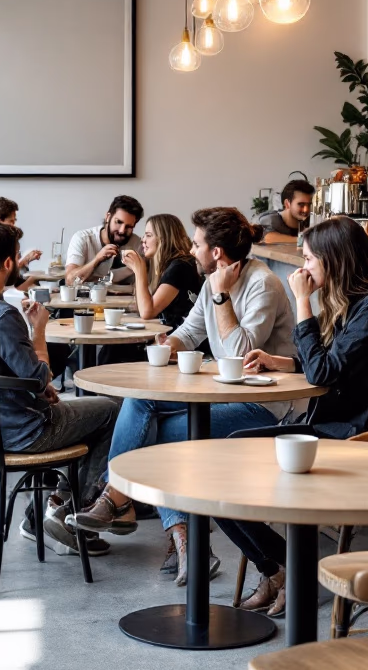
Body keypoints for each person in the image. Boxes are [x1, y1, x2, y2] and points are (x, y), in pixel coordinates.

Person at [68, 207, 295, 585]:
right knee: (140, 402)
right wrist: (168, 344)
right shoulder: (210, 283)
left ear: (217, 253)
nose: (191, 251)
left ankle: (121, 500)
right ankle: (176, 538)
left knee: (158, 446)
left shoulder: (262, 284)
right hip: (221, 395)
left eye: (196, 243)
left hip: (266, 407)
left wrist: (222, 299)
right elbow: (189, 334)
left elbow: (240, 354)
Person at [219, 215, 368, 617]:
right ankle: (280, 567)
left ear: (335, 259)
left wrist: (302, 303)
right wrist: (281, 361)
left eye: (309, 259)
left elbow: (326, 373)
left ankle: (289, 568)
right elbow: (331, 364)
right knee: (223, 459)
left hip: (366, 438)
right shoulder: (356, 302)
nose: (303, 269)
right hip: (342, 426)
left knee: (230, 456)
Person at [0, 222, 119, 557]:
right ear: (9, 263)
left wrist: (36, 390)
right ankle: (64, 513)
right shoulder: (1, 315)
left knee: (84, 413)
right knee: (110, 410)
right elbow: (40, 378)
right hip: (23, 433)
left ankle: (44, 515)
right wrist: (39, 329)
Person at [122, 213, 202, 329]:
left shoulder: (179, 267)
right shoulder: (171, 264)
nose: (143, 240)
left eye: (148, 235)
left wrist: (139, 270)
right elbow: (141, 306)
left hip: (181, 340)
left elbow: (147, 313)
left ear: (164, 239)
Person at [65, 196, 143, 285]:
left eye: (129, 226)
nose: (122, 231)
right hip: (86, 298)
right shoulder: (83, 238)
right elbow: (70, 281)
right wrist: (97, 259)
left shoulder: (137, 243)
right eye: (118, 222)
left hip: (125, 298)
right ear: (108, 217)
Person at [259, 179, 315, 243]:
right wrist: (304, 240)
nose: (306, 210)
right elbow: (268, 238)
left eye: (309, 205)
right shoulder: (271, 220)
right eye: (301, 205)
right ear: (287, 204)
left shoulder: (310, 221)